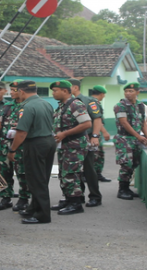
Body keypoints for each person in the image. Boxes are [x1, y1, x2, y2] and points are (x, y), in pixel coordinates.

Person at [7, 80, 56, 224]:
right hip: (48, 141)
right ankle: (33, 208)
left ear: (21, 91)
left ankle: (42, 215)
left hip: (35, 144)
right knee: (42, 178)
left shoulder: (27, 107)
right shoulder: (46, 103)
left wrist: (12, 149)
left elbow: (21, 133)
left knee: (36, 179)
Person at [0, 80, 31, 211]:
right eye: (11, 90)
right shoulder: (8, 106)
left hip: (20, 144)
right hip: (4, 143)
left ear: (22, 91)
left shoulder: (29, 106)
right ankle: (6, 198)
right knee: (4, 172)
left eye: (15, 90)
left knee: (22, 172)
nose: (12, 92)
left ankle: (24, 199)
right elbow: (1, 122)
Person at [50, 80, 91, 215]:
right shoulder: (62, 105)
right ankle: (69, 198)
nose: (53, 93)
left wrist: (65, 134)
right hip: (66, 145)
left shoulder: (75, 104)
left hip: (75, 145)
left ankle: (76, 203)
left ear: (65, 91)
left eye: (55, 90)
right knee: (64, 172)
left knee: (71, 173)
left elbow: (86, 123)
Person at [65, 78, 102, 208]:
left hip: (87, 138)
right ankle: (77, 195)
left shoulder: (89, 101)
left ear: (75, 87)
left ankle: (95, 196)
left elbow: (97, 119)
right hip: (71, 141)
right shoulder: (66, 102)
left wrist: (95, 136)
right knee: (75, 169)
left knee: (88, 168)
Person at [113, 82, 147, 200]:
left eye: (131, 91)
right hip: (124, 139)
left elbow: (143, 122)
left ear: (137, 92)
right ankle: (122, 189)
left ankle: (127, 188)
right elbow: (124, 123)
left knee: (134, 163)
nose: (128, 93)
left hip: (135, 139)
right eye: (126, 91)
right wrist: (138, 136)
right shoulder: (120, 105)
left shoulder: (140, 105)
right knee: (126, 164)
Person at [89, 85, 112, 182]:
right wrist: (105, 132)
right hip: (94, 133)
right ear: (102, 94)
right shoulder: (94, 103)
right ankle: (92, 174)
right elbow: (97, 120)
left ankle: (96, 174)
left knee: (98, 154)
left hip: (95, 133)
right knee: (96, 155)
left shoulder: (90, 102)